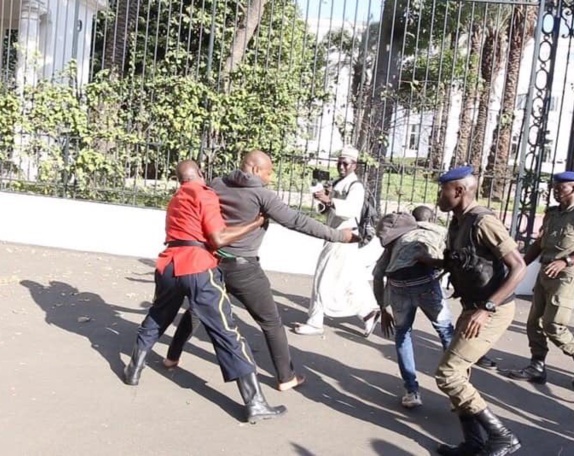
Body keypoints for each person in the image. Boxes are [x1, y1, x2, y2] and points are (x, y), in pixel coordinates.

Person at [163, 150, 358, 391]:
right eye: (268, 172)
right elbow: (298, 221)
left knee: (197, 309)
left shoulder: (217, 184)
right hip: (244, 269)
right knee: (271, 322)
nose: (270, 177)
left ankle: (172, 357)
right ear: (255, 169)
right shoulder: (262, 195)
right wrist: (340, 236)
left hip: (211, 262)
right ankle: (286, 377)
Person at [122, 160, 287, 423]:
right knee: (226, 332)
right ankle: (255, 403)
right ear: (200, 173)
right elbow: (218, 239)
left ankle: (133, 369)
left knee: (157, 316)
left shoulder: (175, 198)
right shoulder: (204, 194)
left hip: (168, 266)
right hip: (197, 267)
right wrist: (255, 224)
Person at [429, 166, 527, 456]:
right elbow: (464, 262)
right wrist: (429, 262)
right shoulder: (459, 222)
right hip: (472, 307)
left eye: (443, 190)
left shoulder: (483, 222)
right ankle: (473, 443)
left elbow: (518, 267)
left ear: (458, 191)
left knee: (449, 374)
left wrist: (487, 308)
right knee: (459, 373)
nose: (439, 196)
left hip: (491, 310)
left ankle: (502, 436)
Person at [506, 171, 574, 388]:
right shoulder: (552, 213)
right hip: (545, 271)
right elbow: (539, 244)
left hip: (566, 274)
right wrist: (520, 264)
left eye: (561, 188)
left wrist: (566, 261)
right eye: (554, 188)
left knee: (553, 324)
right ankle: (537, 366)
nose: (556, 192)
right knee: (534, 322)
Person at [372, 210, 454, 409]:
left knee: (403, 334)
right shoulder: (439, 232)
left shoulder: (395, 242)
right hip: (427, 284)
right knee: (447, 333)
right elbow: (453, 260)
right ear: (430, 220)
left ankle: (411, 392)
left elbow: (378, 275)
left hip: (398, 288)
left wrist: (383, 308)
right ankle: (457, 390)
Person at [293, 146, 378, 336]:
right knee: (347, 278)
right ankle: (368, 312)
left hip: (344, 237)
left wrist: (329, 200)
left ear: (354, 165)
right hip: (334, 235)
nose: (341, 166)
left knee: (323, 277)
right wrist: (322, 199)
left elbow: (350, 210)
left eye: (345, 163)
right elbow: (326, 211)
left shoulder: (355, 186)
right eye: (339, 162)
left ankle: (315, 321)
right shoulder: (338, 183)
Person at [412, 206, 499, 372]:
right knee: (448, 329)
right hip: (468, 295)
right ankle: (465, 358)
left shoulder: (481, 227)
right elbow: (450, 260)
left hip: (483, 298)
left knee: (449, 367)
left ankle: (467, 357)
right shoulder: (447, 231)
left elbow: (516, 265)